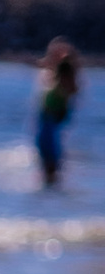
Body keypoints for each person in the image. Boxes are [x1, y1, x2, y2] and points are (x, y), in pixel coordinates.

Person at [35, 39, 81, 190]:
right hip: (50, 116)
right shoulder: (61, 71)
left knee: (49, 148)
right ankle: (50, 184)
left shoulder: (67, 71)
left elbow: (72, 89)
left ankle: (51, 182)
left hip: (53, 116)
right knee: (46, 147)